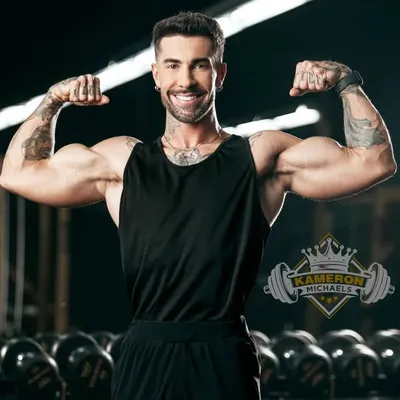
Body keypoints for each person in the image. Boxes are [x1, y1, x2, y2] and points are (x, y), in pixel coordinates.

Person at [0, 11, 396, 400]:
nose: (186, 80)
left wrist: (346, 83)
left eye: (200, 65)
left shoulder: (260, 157)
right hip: (146, 356)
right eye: (173, 65)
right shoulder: (122, 163)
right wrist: (53, 101)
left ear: (219, 74)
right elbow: (17, 173)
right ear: (156, 75)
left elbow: (375, 162)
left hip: (222, 356)